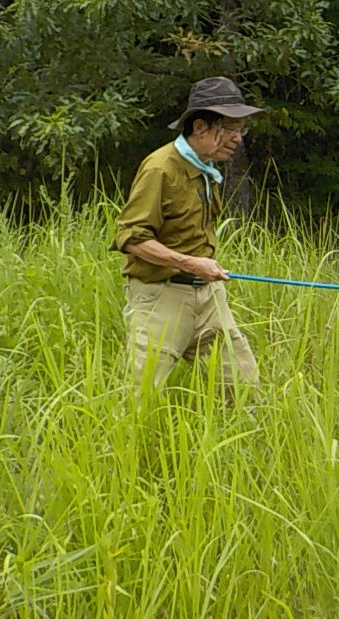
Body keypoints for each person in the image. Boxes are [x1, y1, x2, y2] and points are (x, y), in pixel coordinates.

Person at [111, 76, 264, 391]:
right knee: (139, 398)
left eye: (241, 130)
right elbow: (132, 238)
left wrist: (202, 268)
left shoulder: (206, 167)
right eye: (230, 130)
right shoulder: (160, 168)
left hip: (208, 297)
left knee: (244, 387)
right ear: (199, 127)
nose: (237, 139)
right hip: (160, 296)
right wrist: (192, 264)